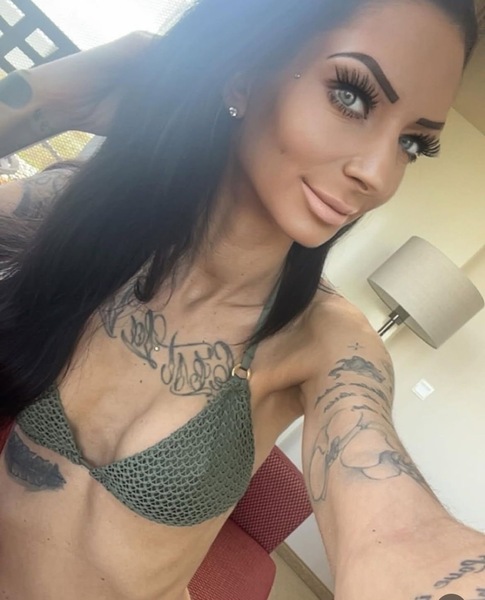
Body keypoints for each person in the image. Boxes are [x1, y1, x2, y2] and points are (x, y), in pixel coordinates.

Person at [0, 1, 483, 599]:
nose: (380, 175)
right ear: (244, 78)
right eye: (352, 96)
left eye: (412, 143)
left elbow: (399, 533)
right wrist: (58, 96)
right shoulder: (86, 218)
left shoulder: (329, 343)